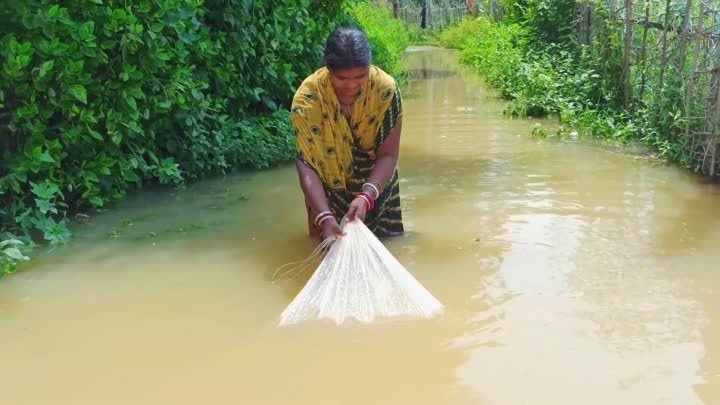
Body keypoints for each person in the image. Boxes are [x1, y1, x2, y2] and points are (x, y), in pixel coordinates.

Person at [291, 26, 404, 241]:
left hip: (376, 184)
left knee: (387, 244)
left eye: (361, 76)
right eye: (342, 78)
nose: (351, 85)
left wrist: (367, 195)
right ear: (328, 69)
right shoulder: (308, 99)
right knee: (328, 248)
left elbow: (388, 155)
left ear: (370, 66)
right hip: (325, 196)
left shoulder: (385, 91)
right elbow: (306, 163)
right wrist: (324, 216)